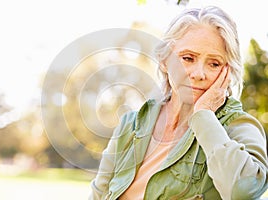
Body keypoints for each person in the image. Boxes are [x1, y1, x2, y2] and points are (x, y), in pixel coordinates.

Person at [89, 5, 268, 200]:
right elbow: (98, 194)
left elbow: (243, 192)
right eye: (188, 58)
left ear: (228, 70)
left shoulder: (238, 125)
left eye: (214, 63)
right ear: (165, 60)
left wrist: (204, 115)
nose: (198, 74)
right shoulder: (131, 124)